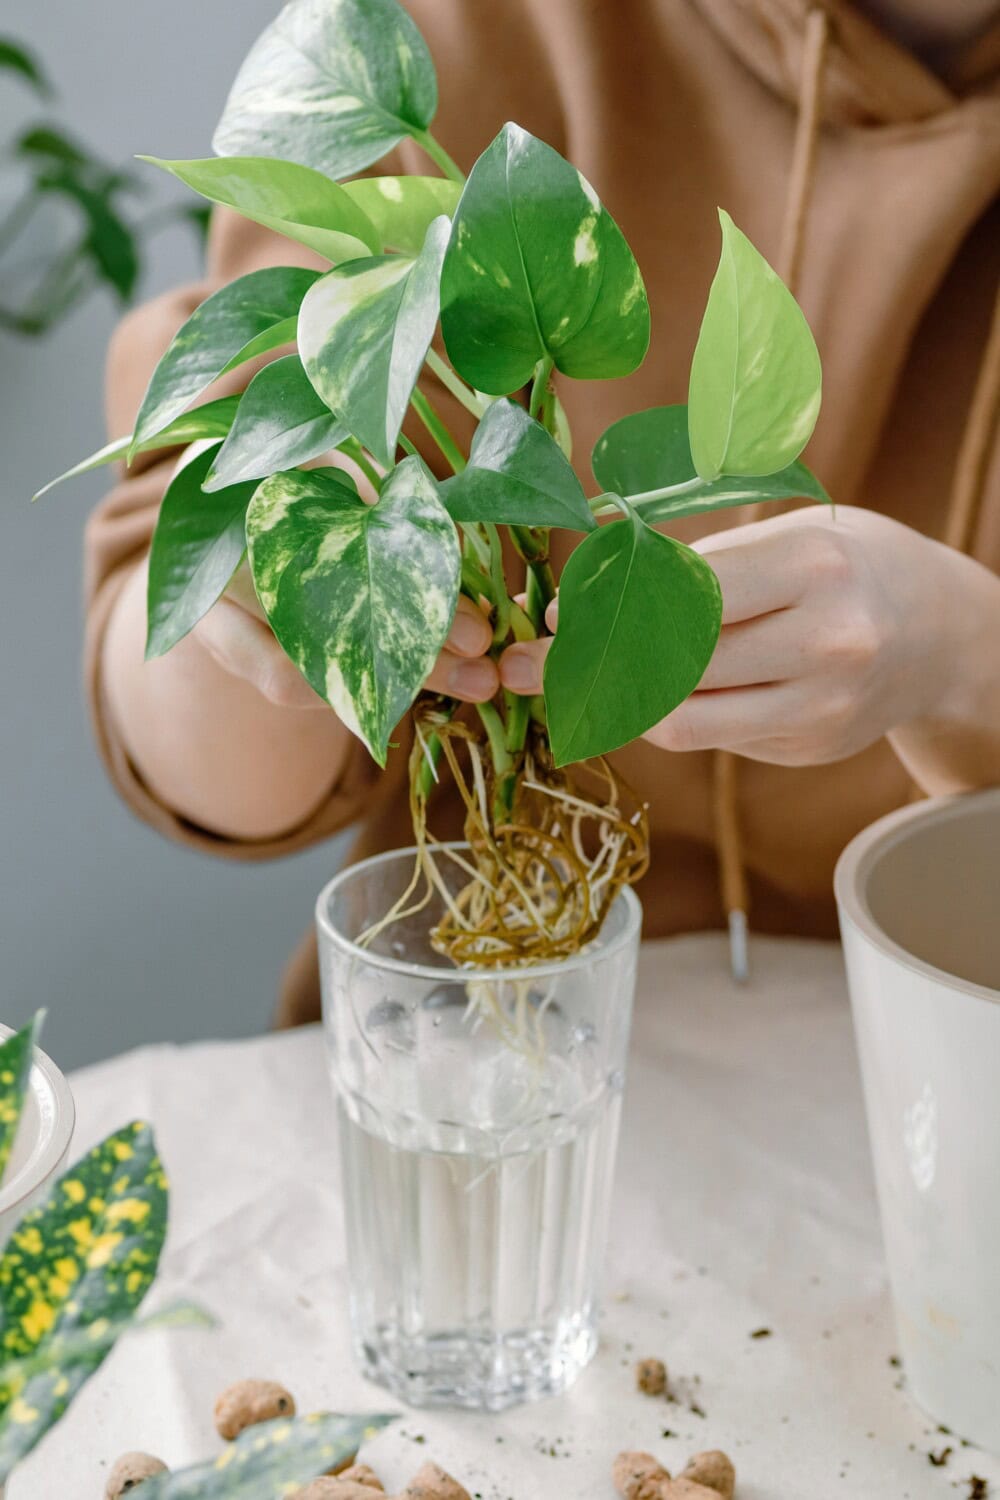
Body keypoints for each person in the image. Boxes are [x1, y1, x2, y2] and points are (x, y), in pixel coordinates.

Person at [87, 0, 1000, 1023]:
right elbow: (210, 775)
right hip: (468, 1021)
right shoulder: (439, 29)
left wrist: (964, 655)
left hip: (921, 1055)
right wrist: (285, 597)